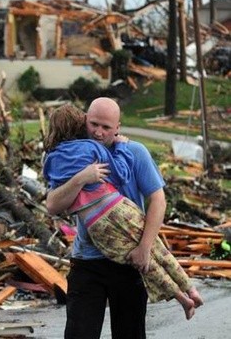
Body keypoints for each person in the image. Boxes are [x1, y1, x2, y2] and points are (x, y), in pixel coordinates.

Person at [43, 104, 203, 320]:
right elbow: (52, 205)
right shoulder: (89, 149)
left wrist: (144, 247)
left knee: (130, 332)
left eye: (106, 127)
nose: (99, 132)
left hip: (128, 257)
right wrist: (82, 178)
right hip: (87, 259)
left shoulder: (134, 151)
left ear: (117, 127)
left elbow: (158, 200)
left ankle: (188, 295)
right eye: (94, 124)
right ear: (84, 122)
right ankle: (187, 294)